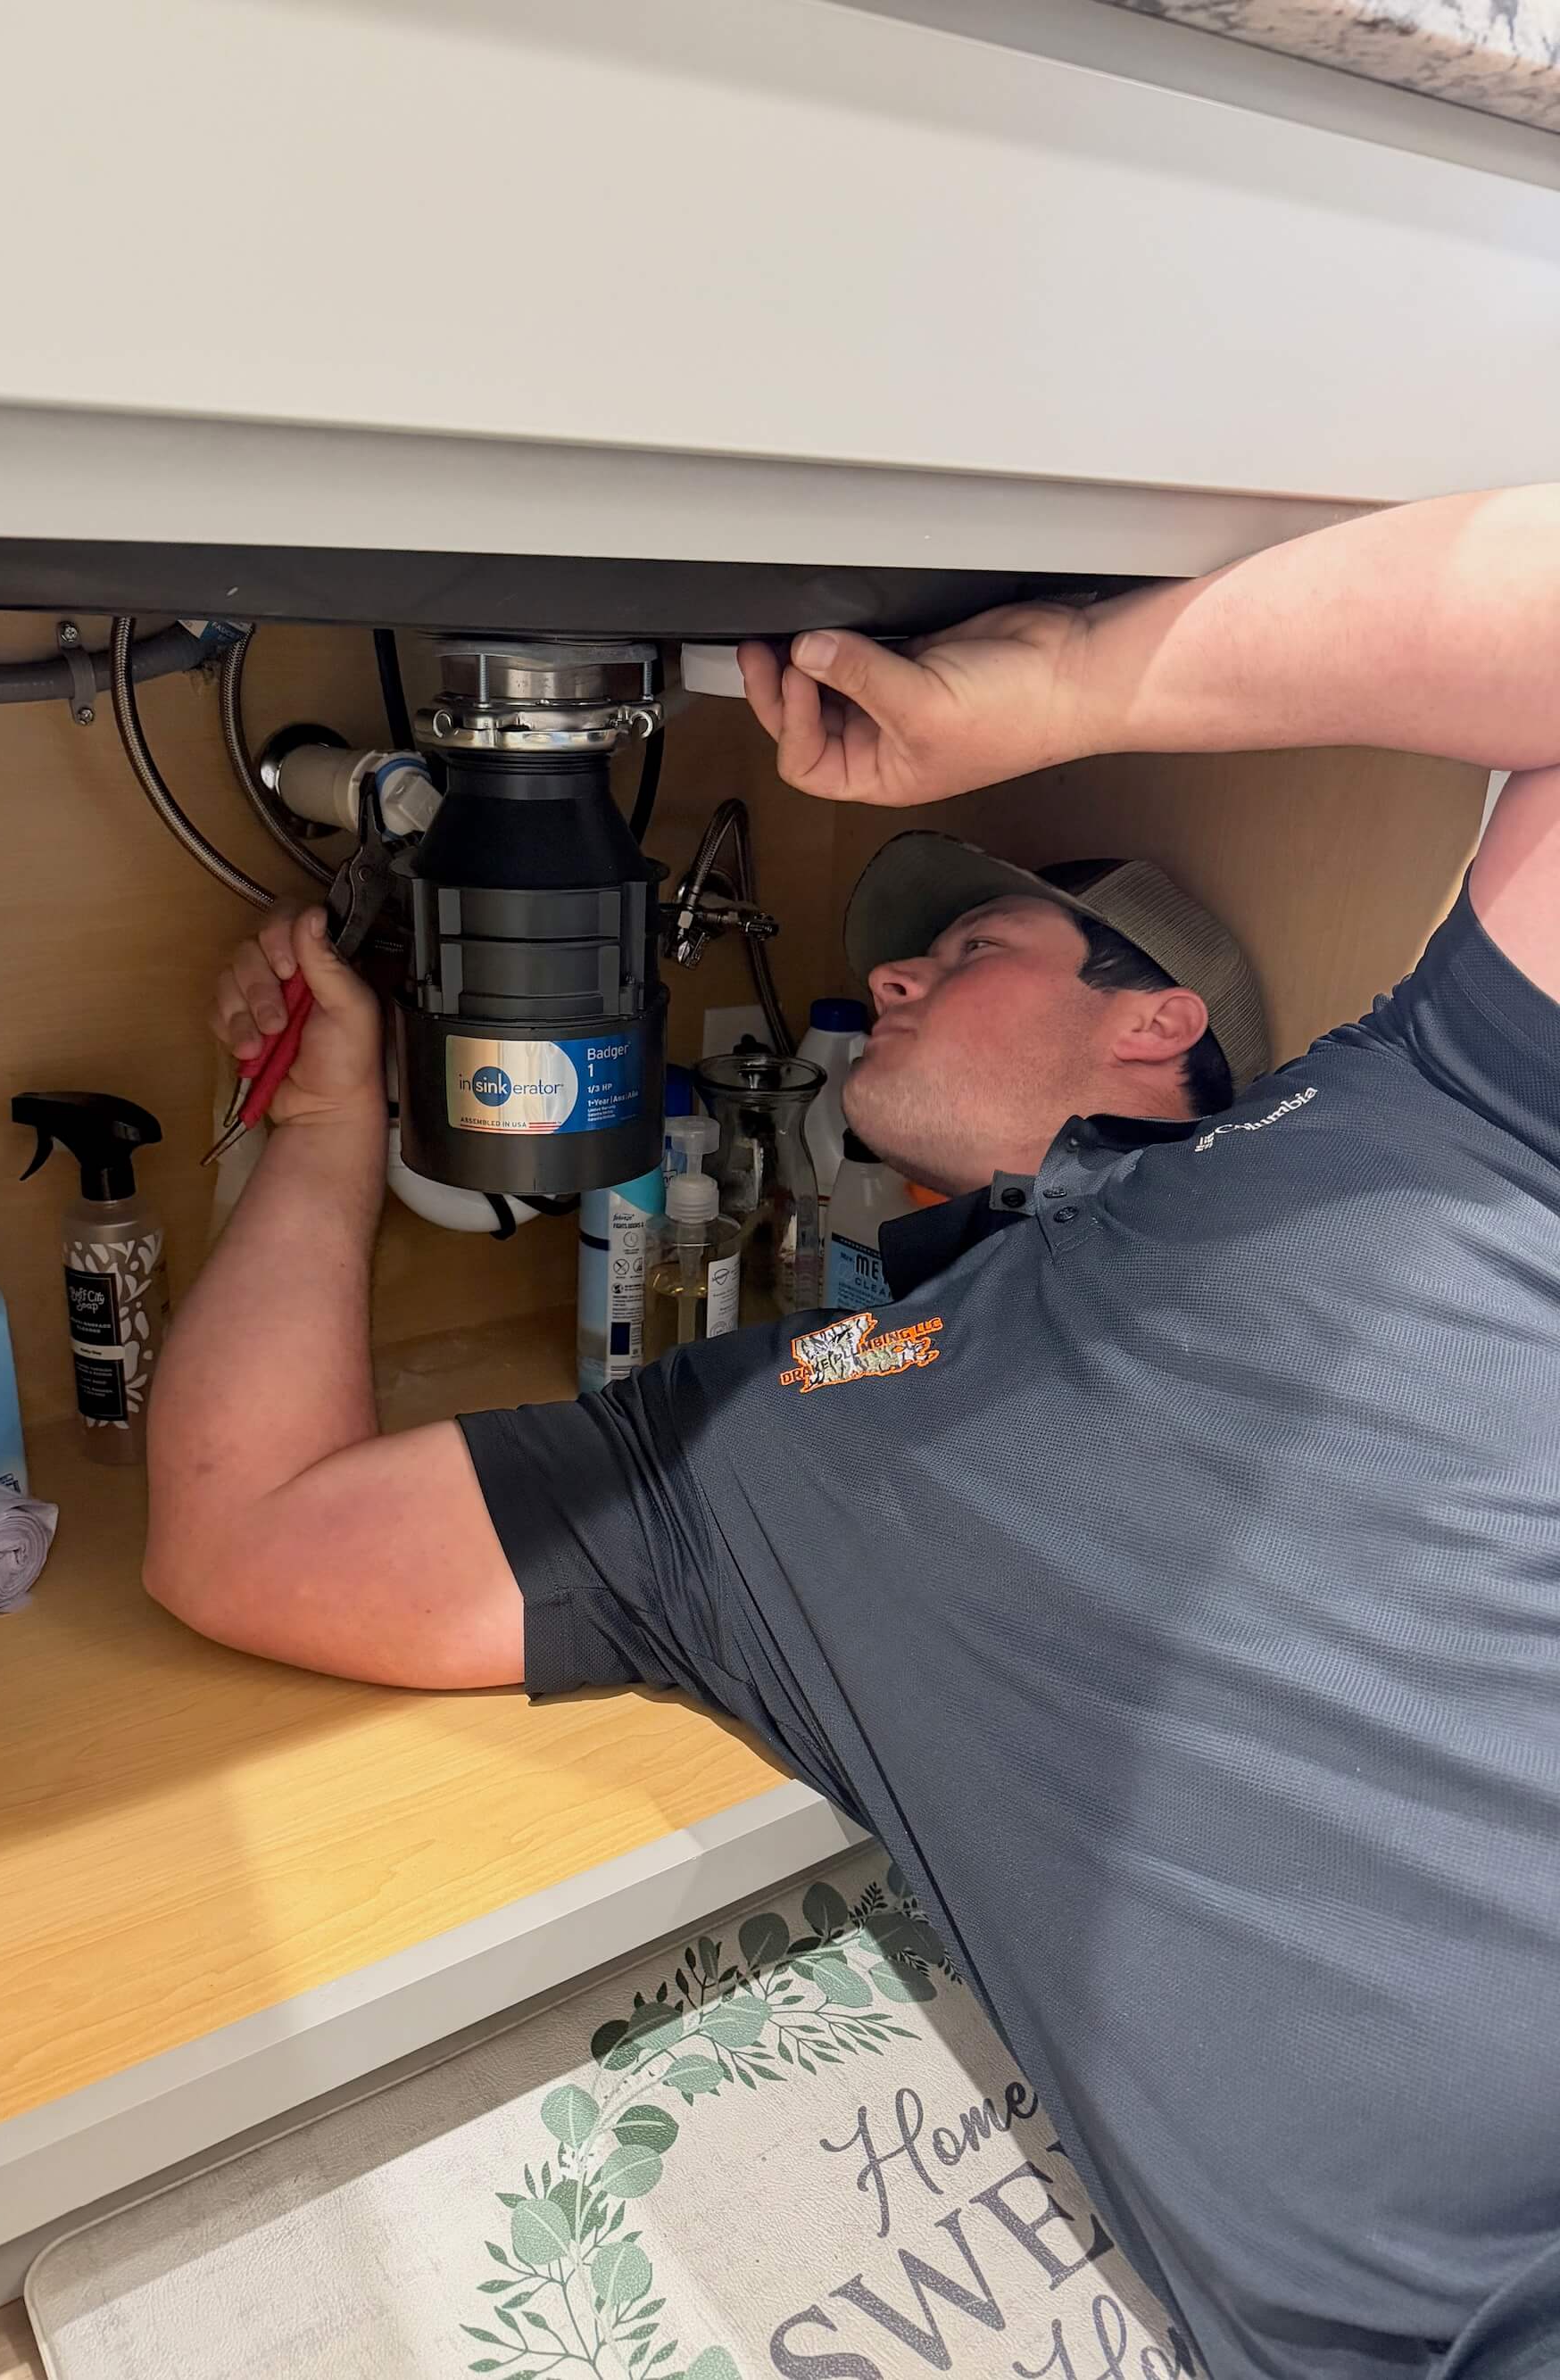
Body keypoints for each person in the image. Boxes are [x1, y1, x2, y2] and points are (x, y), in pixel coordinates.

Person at [146, 486, 1560, 2380]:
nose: (884, 973)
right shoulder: (759, 1453)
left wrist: (1055, 686)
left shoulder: (1420, 1120)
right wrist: (327, 1118)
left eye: (967, 941)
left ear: (1158, 1027)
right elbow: (248, 1531)